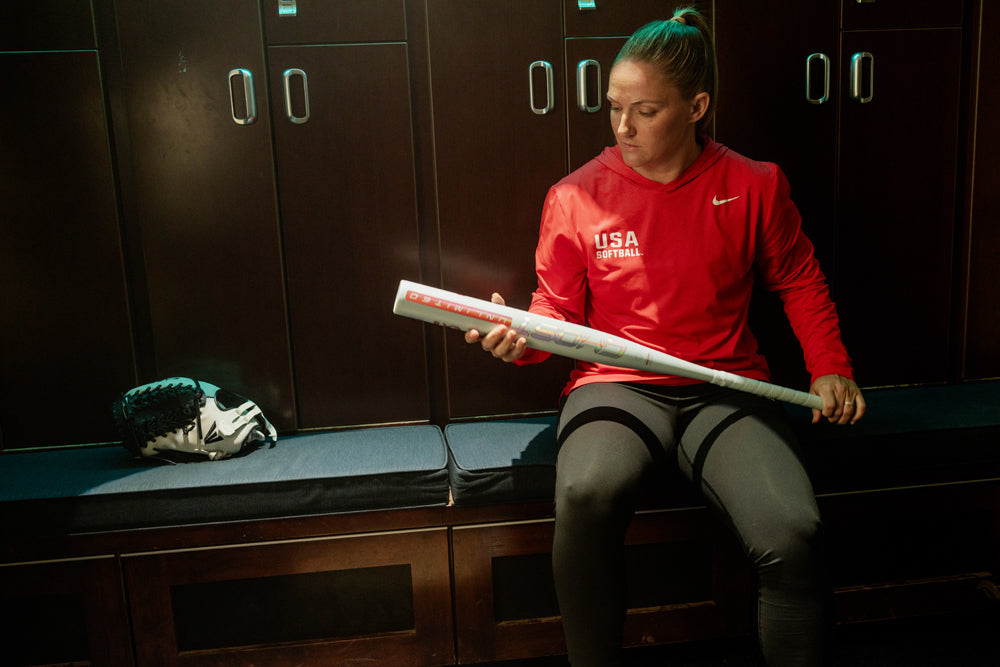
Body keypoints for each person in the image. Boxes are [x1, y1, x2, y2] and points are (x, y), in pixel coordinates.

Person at [465, 6, 866, 667]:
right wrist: (523, 339)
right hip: (617, 387)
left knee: (795, 530)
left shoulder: (754, 184)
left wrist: (830, 365)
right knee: (583, 494)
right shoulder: (574, 196)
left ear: (696, 106)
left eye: (645, 110)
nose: (622, 126)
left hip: (724, 385)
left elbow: (798, 278)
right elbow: (555, 314)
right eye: (614, 107)